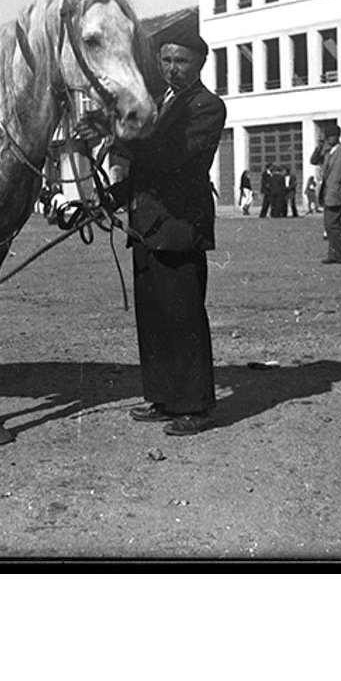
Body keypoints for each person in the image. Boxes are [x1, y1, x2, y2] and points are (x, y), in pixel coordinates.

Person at [94, 38, 227, 437]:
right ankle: (164, 397)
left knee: (183, 316)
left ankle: (195, 406)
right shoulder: (164, 101)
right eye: (166, 60)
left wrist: (121, 133)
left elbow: (170, 159)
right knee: (152, 317)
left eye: (182, 61)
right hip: (146, 225)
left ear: (201, 62)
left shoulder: (206, 106)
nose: (172, 68)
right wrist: (112, 197)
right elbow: (144, 171)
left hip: (179, 226)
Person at [310, 124, 341, 263]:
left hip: (338, 194)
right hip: (328, 194)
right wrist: (319, 147)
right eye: (328, 136)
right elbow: (313, 161)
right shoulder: (327, 152)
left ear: (338, 136)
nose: (331, 139)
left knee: (331, 225)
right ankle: (334, 255)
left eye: (333, 136)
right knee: (330, 224)